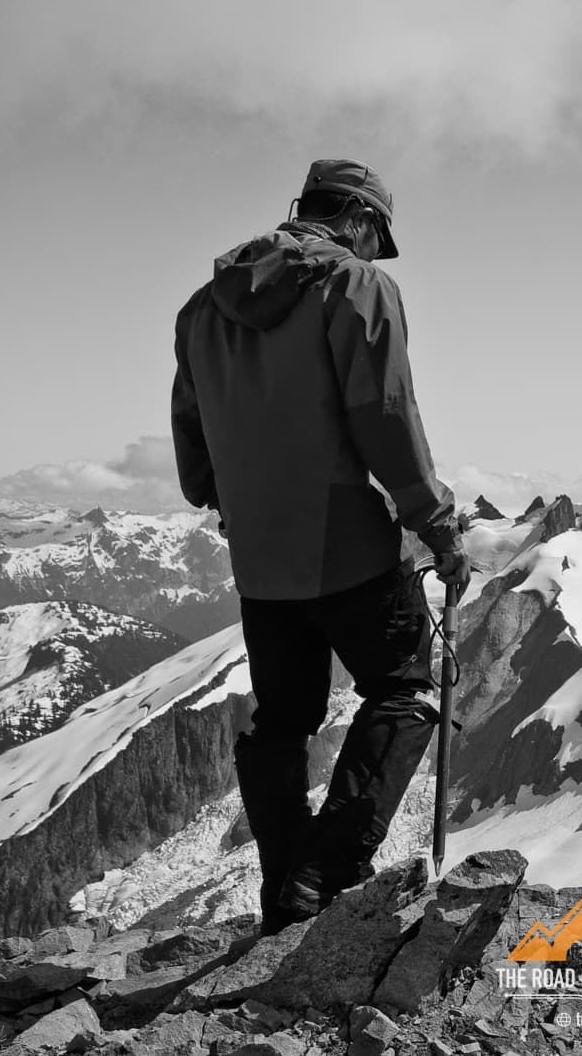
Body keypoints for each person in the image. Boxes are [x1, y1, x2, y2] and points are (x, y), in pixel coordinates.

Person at [170, 158, 470, 935]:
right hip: (346, 542)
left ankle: (283, 886)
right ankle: (327, 871)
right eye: (378, 239)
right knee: (403, 690)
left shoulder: (203, 308)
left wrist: (231, 499)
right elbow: (387, 418)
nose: (377, 254)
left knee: (283, 720)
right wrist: (437, 526)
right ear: (363, 220)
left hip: (260, 560)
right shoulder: (357, 289)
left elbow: (193, 441)